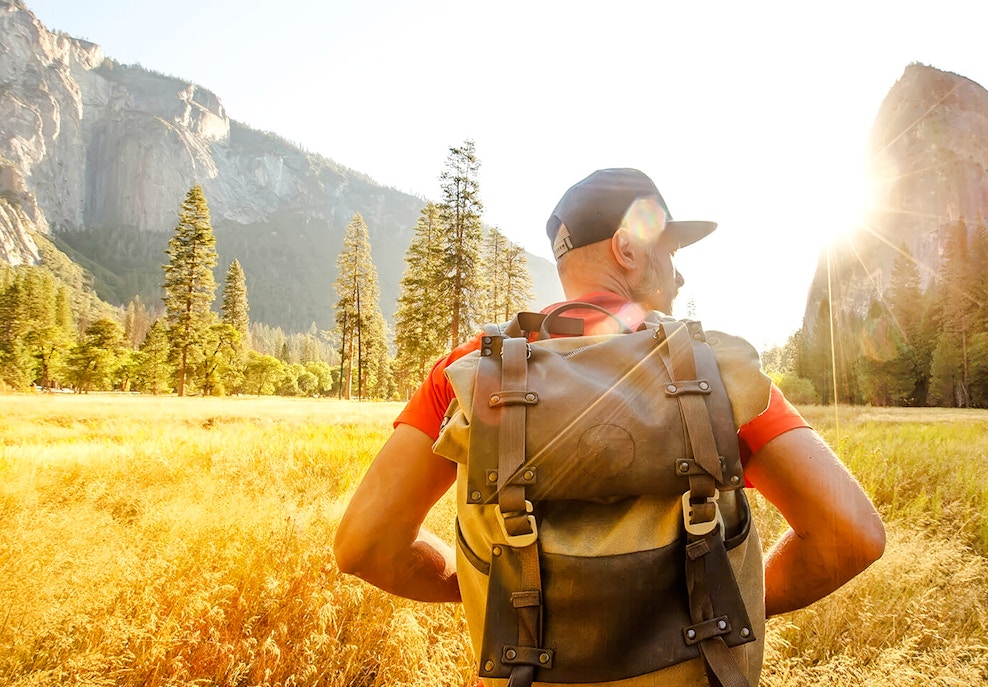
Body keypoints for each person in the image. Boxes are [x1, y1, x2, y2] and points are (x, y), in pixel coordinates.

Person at [334, 168, 885, 684]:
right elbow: (852, 535)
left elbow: (365, 546)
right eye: (669, 249)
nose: (680, 270)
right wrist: (727, 594)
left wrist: (491, 589)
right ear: (627, 247)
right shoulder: (714, 371)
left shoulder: (468, 374)